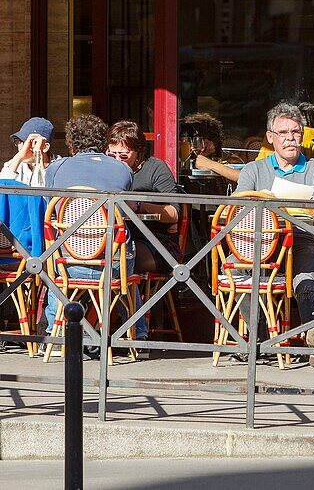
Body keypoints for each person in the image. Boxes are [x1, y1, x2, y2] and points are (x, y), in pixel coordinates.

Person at [235, 102, 314, 367]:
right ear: (270, 138)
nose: (290, 138)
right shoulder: (253, 170)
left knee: (306, 277)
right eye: (283, 133)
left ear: (302, 135)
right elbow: (236, 209)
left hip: (304, 237)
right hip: (262, 240)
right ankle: (258, 342)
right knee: (240, 272)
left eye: (295, 132)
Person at [42, 115, 144, 346]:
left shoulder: (56, 169)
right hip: (113, 265)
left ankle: (55, 335)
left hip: (68, 263)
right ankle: (137, 335)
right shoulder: (122, 170)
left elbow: (51, 211)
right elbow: (126, 209)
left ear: (71, 143)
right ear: (102, 142)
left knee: (52, 270)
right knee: (128, 276)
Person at [106, 120, 182, 274]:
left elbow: (174, 214)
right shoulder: (105, 169)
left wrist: (140, 205)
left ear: (138, 151)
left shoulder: (155, 168)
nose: (117, 161)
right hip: (113, 237)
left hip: (153, 240)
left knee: (119, 259)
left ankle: (123, 297)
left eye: (123, 156)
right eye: (111, 155)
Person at [182, 112, 244, 185]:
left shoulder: (229, 159)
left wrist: (209, 160)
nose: (192, 147)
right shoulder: (185, 159)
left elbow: (241, 174)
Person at [1, 117, 56, 186]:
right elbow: (2, 191)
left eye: (28, 143)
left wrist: (39, 159)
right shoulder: (13, 164)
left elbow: (49, 194)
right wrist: (18, 158)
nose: (21, 148)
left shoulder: (59, 167)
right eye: (18, 141)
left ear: (45, 147)